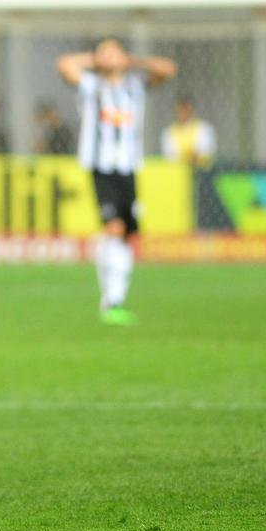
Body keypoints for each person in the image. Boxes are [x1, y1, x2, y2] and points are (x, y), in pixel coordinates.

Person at [57, 38, 178, 325]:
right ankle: (111, 300)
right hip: (101, 167)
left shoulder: (134, 86)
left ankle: (117, 297)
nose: (111, 58)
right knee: (114, 227)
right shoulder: (91, 86)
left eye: (115, 52)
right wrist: (96, 59)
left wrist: (131, 60)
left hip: (128, 167)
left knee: (125, 235)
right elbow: (64, 64)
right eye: (105, 53)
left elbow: (168, 69)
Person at [160, 95, 216, 169]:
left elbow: (206, 152)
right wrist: (190, 156)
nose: (183, 113)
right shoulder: (168, 132)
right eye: (180, 110)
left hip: (201, 171)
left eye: (186, 109)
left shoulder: (204, 128)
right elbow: (170, 156)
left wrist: (187, 157)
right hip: (178, 172)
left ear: (192, 110)